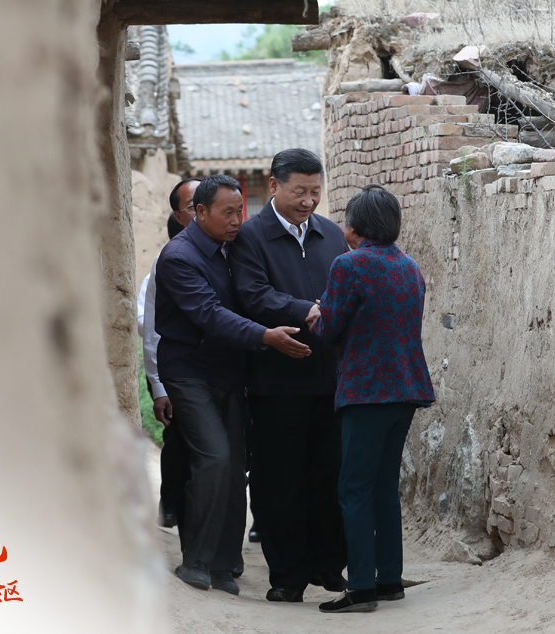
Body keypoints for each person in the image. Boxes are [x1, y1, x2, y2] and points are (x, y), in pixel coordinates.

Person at [154, 174, 311, 596]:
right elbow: (209, 314)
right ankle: (196, 560)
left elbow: (254, 295)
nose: (236, 221)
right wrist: (265, 336)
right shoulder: (178, 257)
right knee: (215, 458)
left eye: (240, 211)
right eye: (227, 213)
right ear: (199, 212)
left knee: (235, 464)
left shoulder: (232, 248)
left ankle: (224, 564)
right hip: (189, 371)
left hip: (230, 370)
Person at [231, 148, 349, 603]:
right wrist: (307, 310)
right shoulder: (250, 237)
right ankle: (287, 575)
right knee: (279, 482)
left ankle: (327, 564)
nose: (308, 201)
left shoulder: (331, 234)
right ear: (274, 186)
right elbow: (252, 294)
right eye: (299, 191)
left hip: (330, 379)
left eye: (315, 191)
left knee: (329, 475)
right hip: (276, 383)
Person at [310, 184, 436, 614]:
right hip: (406, 388)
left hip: (366, 391)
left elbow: (329, 329)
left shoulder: (349, 264)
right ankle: (389, 579)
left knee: (354, 489)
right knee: (384, 487)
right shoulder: (409, 266)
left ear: (356, 227)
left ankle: (362, 587)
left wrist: (318, 313)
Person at [147, 178, 200, 531]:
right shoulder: (168, 262)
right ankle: (174, 508)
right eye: (194, 206)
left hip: (226, 375)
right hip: (182, 376)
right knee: (181, 442)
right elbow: (151, 327)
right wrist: (159, 387)